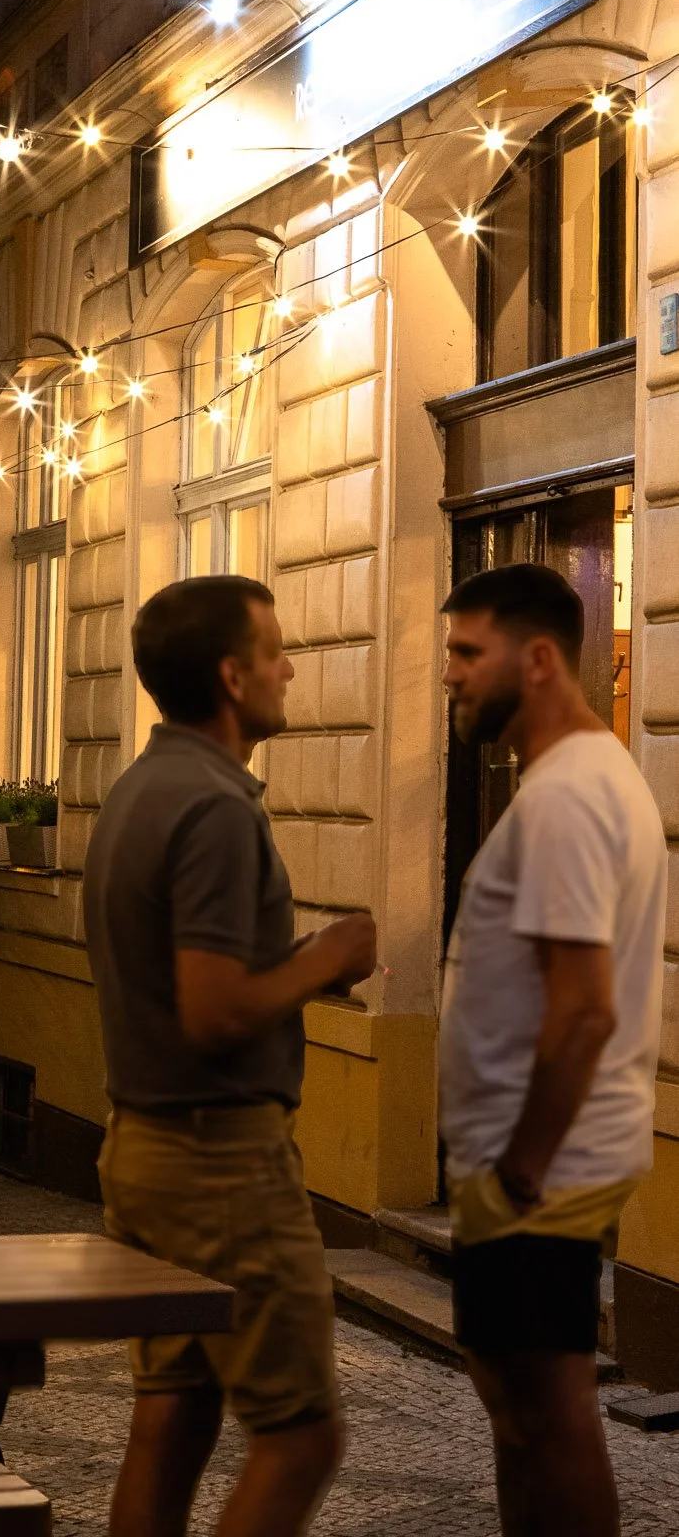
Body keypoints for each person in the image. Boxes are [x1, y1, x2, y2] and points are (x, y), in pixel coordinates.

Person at [84, 576, 377, 1537]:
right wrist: (325, 958)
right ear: (230, 674)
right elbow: (211, 1012)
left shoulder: (137, 790)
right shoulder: (212, 809)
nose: (289, 668)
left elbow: (186, 988)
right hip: (221, 1162)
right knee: (301, 1436)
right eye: (275, 651)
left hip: (146, 1145)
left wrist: (290, 971)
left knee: (172, 1414)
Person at [440, 564, 667, 1537]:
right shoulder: (574, 779)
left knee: (551, 1407)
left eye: (464, 652)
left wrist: (521, 1166)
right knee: (519, 1400)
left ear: (536, 659)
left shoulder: (570, 795)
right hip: (535, 1157)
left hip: (544, 1163)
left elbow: (580, 1009)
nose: (448, 675)